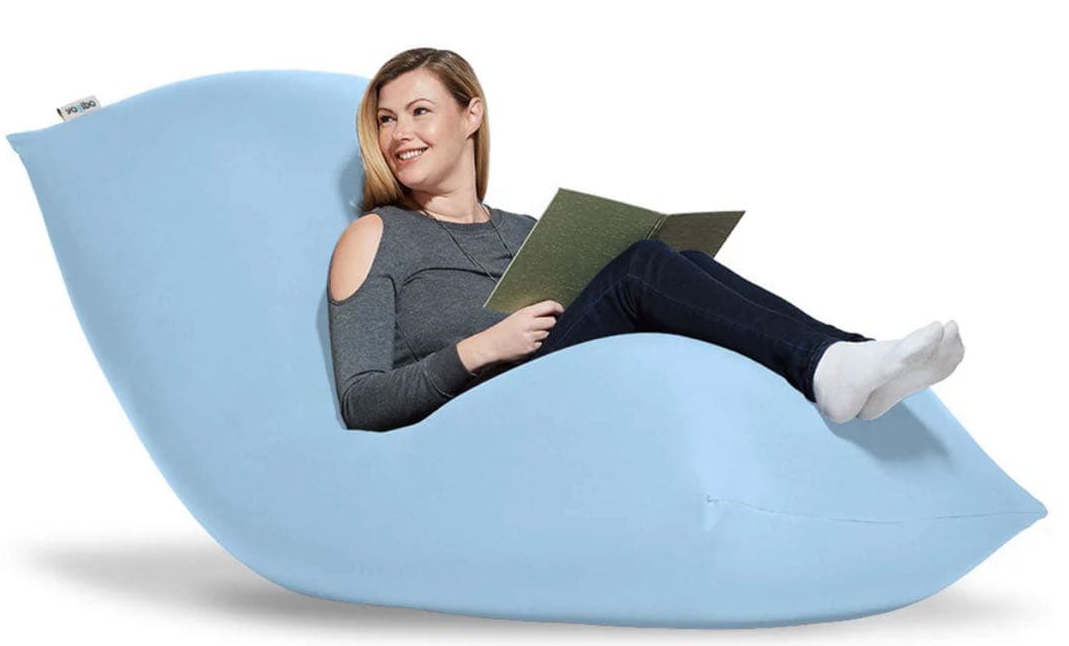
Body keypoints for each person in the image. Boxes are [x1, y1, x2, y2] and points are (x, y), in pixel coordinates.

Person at [327, 48, 965, 432]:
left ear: (472, 115)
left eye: (419, 111)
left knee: (679, 259)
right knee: (641, 268)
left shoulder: (523, 230)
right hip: (487, 410)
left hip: (576, 381)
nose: (399, 134)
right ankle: (831, 367)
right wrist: (479, 349)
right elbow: (360, 402)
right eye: (386, 119)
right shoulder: (376, 235)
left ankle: (846, 355)